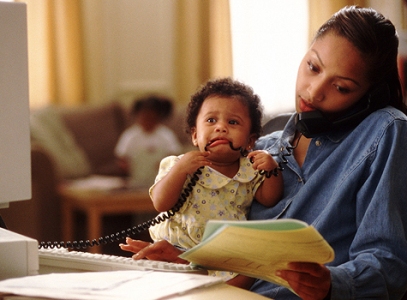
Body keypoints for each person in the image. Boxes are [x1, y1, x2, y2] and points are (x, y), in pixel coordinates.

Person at [118, 6, 407, 299]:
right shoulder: (261, 149)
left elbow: (389, 263)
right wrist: (184, 258)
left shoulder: (385, 130)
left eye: (342, 87)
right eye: (313, 67)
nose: (314, 91)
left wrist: (332, 282)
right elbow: (242, 264)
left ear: (370, 96)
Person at [120, 77, 284, 283]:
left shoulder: (249, 170)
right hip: (175, 247)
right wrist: (180, 171)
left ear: (250, 141)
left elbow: (270, 198)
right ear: (195, 136)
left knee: (248, 275)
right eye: (211, 120)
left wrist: (272, 170)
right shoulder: (181, 164)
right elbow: (161, 203)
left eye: (233, 122)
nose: (221, 128)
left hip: (221, 253)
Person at [114, 95, 182, 188]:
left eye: (151, 118)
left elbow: (174, 155)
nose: (147, 121)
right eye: (144, 117)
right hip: (136, 182)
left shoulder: (166, 135)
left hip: (161, 182)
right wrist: (127, 166)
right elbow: (121, 157)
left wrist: (165, 165)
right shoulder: (130, 136)